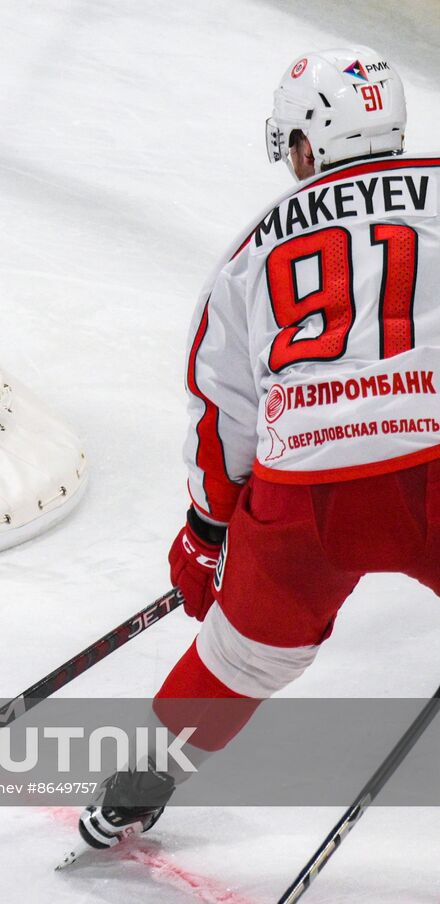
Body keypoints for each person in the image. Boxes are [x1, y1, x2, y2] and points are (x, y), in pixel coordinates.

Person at [76, 46, 434, 852]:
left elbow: (223, 415)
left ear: (311, 141)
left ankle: (138, 788)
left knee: (241, 659)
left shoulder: (248, 249)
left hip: (306, 488)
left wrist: (208, 534)